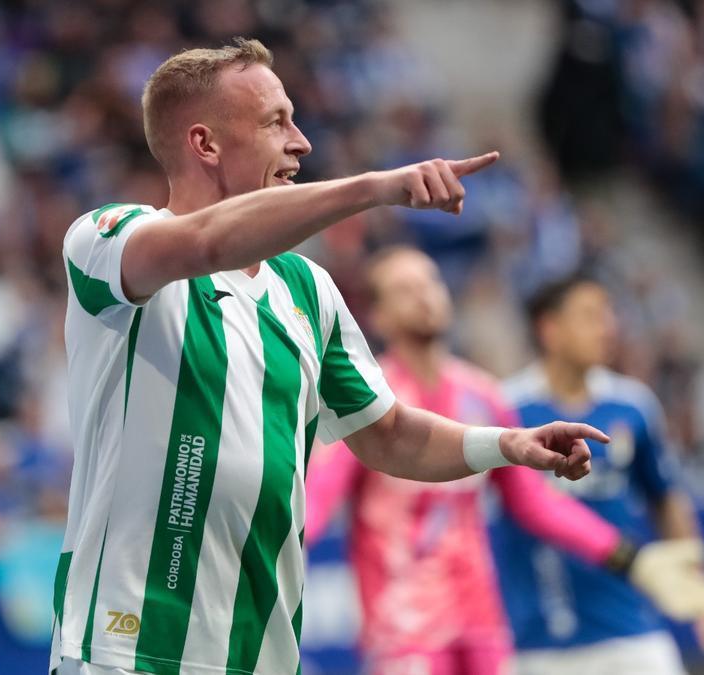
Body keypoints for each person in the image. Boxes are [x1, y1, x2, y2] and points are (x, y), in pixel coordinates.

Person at [53, 38, 609, 675]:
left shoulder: (305, 289)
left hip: (259, 652)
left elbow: (390, 435)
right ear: (204, 144)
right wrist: (375, 187)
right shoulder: (106, 240)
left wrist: (506, 444)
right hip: (124, 647)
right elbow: (207, 241)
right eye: (274, 122)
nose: (302, 142)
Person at [304, 247, 704, 675]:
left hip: (483, 625)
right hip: (403, 630)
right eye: (405, 289)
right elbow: (316, 498)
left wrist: (630, 559)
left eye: (430, 282)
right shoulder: (362, 405)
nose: (424, 295)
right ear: (376, 317)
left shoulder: (485, 395)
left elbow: (535, 503)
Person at [495, 274, 704, 675]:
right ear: (549, 329)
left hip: (631, 634)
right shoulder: (508, 412)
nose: (608, 326)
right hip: (538, 644)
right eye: (590, 315)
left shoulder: (634, 406)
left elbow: (668, 501)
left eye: (608, 314)